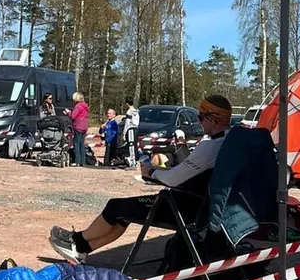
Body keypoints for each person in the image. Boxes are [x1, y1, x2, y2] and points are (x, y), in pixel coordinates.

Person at [48, 95, 233, 261]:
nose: (199, 122)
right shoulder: (228, 142)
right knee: (123, 214)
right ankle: (81, 249)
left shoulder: (210, 146)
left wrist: (150, 172)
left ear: (213, 119)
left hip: (184, 208)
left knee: (115, 206)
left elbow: (174, 179)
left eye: (200, 118)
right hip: (202, 207)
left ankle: (77, 240)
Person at [70, 92, 90, 166]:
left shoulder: (78, 106)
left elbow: (73, 116)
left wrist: (68, 113)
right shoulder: (85, 106)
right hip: (84, 126)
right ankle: (83, 161)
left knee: (76, 144)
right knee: (82, 144)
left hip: (78, 126)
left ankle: (77, 161)